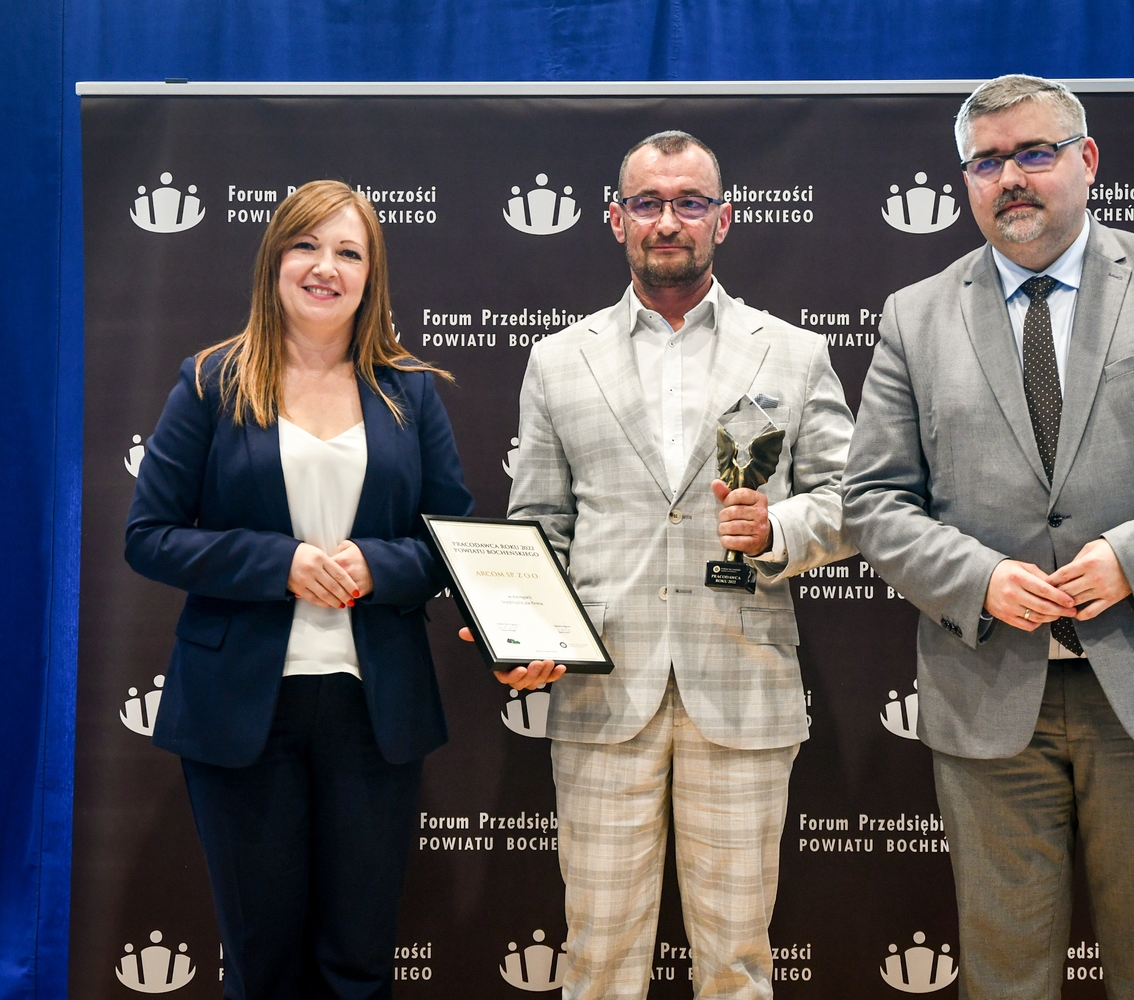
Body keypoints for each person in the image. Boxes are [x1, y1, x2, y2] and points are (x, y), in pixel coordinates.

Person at [842, 75, 1134, 999]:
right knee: (1003, 978)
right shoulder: (914, 316)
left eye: (1034, 153)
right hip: (990, 696)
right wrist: (978, 579)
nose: (1011, 178)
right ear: (966, 182)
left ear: (1087, 161)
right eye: (987, 162)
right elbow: (876, 501)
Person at [493, 130, 856, 999]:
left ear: (722, 220)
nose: (668, 221)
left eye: (690, 202)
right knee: (597, 962)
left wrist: (775, 528)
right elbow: (538, 523)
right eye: (649, 202)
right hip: (600, 697)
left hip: (742, 689)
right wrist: (524, 630)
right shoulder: (558, 359)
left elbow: (855, 501)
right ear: (615, 218)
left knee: (736, 966)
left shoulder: (793, 352)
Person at [125, 180, 474, 1000]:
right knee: (263, 966)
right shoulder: (210, 382)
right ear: (274, 260)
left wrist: (381, 567)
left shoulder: (409, 389)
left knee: (359, 965)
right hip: (242, 708)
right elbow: (149, 536)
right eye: (307, 246)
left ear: (371, 274)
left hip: (372, 710)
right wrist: (275, 563)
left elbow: (454, 541)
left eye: (349, 252)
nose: (326, 267)